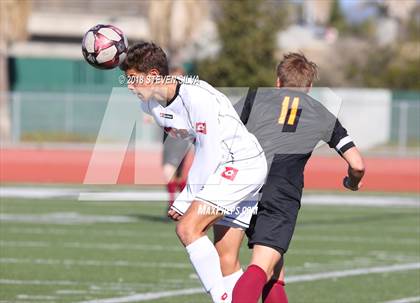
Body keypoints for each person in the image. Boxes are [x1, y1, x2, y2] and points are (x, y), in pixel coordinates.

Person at [120, 42, 267, 303]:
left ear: (153, 75)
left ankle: (221, 300)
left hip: (240, 164)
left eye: (133, 79)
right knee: (226, 259)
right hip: (231, 167)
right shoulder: (151, 104)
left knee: (188, 229)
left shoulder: (196, 96)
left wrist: (187, 197)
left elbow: (210, 153)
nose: (129, 86)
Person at [232, 53, 366, 303]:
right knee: (261, 266)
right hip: (279, 196)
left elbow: (223, 132)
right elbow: (357, 164)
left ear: (278, 82)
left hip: (242, 189)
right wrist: (352, 182)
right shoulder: (321, 114)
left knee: (275, 271)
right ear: (310, 87)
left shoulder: (254, 98)